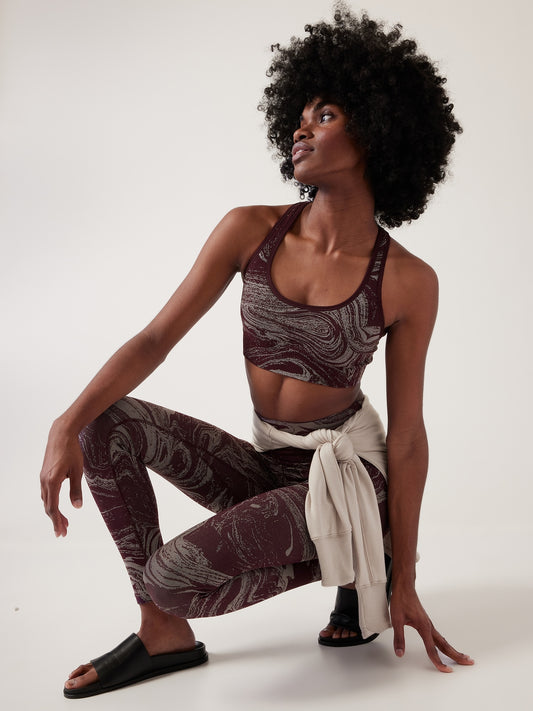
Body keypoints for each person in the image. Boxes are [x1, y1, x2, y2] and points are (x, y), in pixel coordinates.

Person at [40, 6, 474, 699]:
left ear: (376, 130)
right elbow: (155, 339)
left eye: (325, 115)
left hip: (345, 480)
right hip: (270, 463)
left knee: (170, 575)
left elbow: (409, 436)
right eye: (298, 116)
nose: (302, 128)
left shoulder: (406, 280)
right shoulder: (250, 230)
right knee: (103, 421)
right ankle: (162, 631)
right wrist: (66, 422)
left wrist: (407, 581)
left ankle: (369, 557)